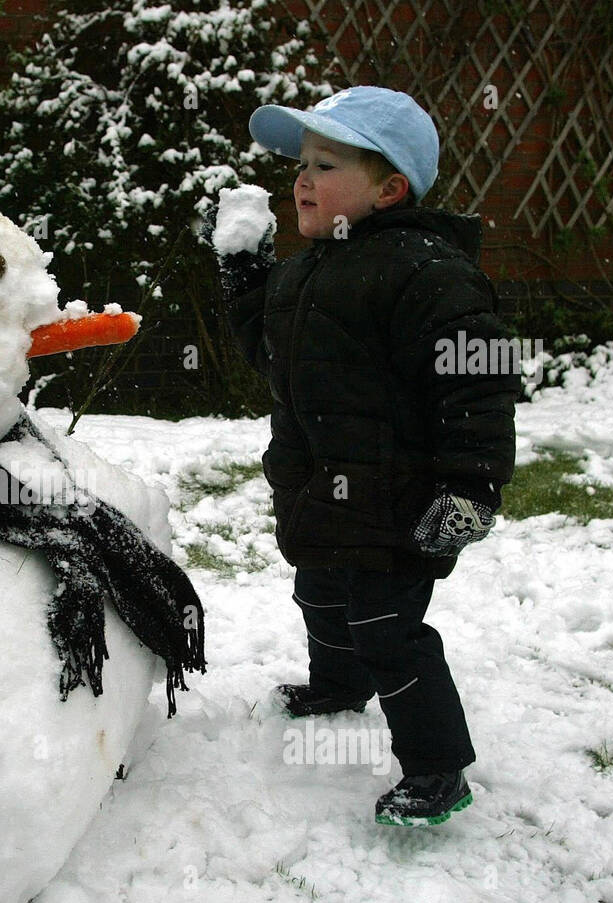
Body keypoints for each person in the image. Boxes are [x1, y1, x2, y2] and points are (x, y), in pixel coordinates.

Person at [215, 86, 519, 826]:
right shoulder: (302, 272)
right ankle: (336, 684)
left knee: (389, 628)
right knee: (319, 595)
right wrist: (247, 278)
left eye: (326, 164)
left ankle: (437, 767)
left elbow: (477, 376)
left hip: (399, 499)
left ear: (389, 189)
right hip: (319, 490)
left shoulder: (428, 270)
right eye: (300, 165)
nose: (302, 180)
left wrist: (472, 486)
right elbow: (272, 354)